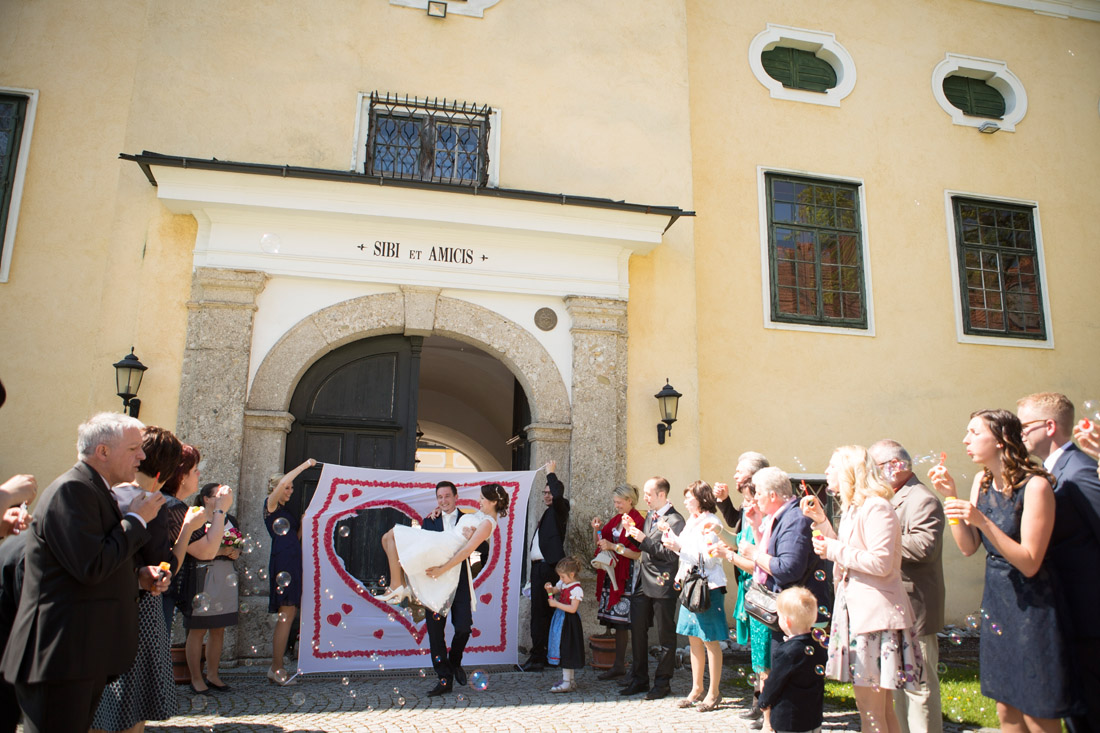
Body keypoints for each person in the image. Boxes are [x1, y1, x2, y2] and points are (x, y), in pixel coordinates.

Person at [0, 413, 169, 732]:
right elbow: (91, 566)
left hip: (80, 655)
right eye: (134, 448)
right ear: (103, 451)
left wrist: (137, 576)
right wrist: (137, 520)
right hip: (61, 657)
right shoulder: (73, 490)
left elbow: (81, 562)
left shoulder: (94, 489)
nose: (143, 457)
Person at [929, 409, 1080, 732]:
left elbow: (1029, 560)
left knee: (1037, 711)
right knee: (1006, 711)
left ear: (1001, 441)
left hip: (1034, 606)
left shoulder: (1036, 486)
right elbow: (969, 547)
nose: (965, 440)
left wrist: (981, 519)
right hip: (998, 600)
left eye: (974, 433)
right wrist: (952, 499)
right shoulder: (983, 482)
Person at [91, 426, 204, 733]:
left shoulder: (104, 494)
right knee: (132, 703)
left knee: (96, 699)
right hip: (138, 612)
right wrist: (188, 528)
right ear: (166, 471)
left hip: (96, 609)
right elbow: (165, 568)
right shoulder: (152, 504)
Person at [802, 445, 921, 733]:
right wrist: (823, 524)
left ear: (850, 472)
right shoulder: (856, 508)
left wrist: (833, 548)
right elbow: (848, 552)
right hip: (859, 613)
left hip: (874, 619)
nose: (827, 471)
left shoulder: (876, 507)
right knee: (880, 711)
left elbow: (881, 563)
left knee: (871, 713)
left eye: (832, 466)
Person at [1017, 392, 1100, 733]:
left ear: (1049, 426)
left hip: (1088, 615)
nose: (1018, 434)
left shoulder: (1079, 470)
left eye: (1024, 426)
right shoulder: (1048, 471)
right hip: (1065, 609)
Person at [379, 482, 507, 697]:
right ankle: (444, 678)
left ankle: (454, 661)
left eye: (447, 496)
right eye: (439, 497)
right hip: (435, 580)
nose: (443, 501)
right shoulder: (431, 519)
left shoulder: (473, 517)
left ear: (456, 497)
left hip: (458, 578)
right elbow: (425, 546)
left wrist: (470, 539)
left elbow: (476, 546)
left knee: (464, 627)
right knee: (435, 632)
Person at [738, 465, 833, 731]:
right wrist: (757, 527)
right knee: (785, 671)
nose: (753, 498)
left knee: (793, 676)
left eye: (757, 493)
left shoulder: (795, 519)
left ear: (772, 495)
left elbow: (788, 568)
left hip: (800, 614)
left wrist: (754, 553)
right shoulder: (782, 516)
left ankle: (793, 724)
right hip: (791, 610)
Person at [869, 439, 945, 733]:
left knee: (919, 687)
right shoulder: (890, 497)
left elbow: (926, 547)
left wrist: (880, 543)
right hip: (893, 605)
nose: (870, 474)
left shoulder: (921, 498)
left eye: (874, 468)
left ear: (895, 466)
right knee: (898, 683)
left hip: (915, 606)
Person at [661, 480, 728, 712]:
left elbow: (710, 559)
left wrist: (679, 549)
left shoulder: (712, 523)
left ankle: (714, 691)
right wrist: (672, 541)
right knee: (693, 639)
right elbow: (687, 554)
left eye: (689, 496)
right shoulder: (692, 521)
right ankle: (696, 688)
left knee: (710, 640)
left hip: (708, 587)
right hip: (691, 585)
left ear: (700, 499)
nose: (686, 500)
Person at [621, 476, 685, 700]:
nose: (645, 498)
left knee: (665, 636)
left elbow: (670, 553)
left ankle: (662, 682)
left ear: (661, 495)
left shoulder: (675, 520)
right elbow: (647, 547)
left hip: (662, 583)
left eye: (649, 494)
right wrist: (633, 533)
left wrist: (643, 539)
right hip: (643, 581)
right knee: (637, 629)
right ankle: (639, 678)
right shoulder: (650, 516)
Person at [720, 473, 771, 728]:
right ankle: (758, 704)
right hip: (750, 593)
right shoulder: (750, 524)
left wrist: (728, 557)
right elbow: (736, 542)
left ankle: (766, 709)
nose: (746, 505)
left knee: (765, 656)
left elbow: (755, 565)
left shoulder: (764, 527)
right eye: (745, 501)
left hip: (763, 594)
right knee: (757, 655)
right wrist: (718, 532)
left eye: (751, 500)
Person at [181, 482, 238, 694]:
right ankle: (196, 678)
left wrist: (235, 552)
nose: (222, 499)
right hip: (201, 575)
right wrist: (222, 549)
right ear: (206, 498)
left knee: (218, 628)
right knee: (197, 630)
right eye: (217, 495)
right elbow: (198, 548)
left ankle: (213, 675)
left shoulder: (229, 521)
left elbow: (237, 545)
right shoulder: (196, 518)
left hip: (224, 575)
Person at [264, 458, 316, 686]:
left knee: (290, 614)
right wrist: (304, 466)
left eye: (291, 487)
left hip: (294, 562)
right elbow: (284, 481)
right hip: (282, 563)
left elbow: (294, 539)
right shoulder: (270, 506)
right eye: (287, 486)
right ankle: (276, 668)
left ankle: (277, 666)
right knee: (286, 616)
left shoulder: (285, 511)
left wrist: (303, 525)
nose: (290, 489)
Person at [590, 483, 644, 682]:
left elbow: (636, 553)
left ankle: (621, 665)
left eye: (619, 502)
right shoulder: (616, 520)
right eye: (615, 502)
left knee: (623, 623)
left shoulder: (637, 521)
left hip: (627, 575)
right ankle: (618, 665)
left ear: (630, 500)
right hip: (612, 573)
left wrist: (614, 546)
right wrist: (597, 530)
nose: (617, 505)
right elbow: (601, 542)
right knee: (615, 621)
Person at [522, 460, 569, 673]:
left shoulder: (561, 508)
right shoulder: (548, 513)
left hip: (548, 568)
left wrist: (551, 473)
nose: (547, 495)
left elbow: (558, 496)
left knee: (541, 614)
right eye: (545, 492)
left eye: (550, 492)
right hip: (539, 570)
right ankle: (542, 655)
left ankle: (539, 657)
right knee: (539, 613)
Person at [759, 586, 826, 733]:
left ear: (787, 621)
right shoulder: (818, 646)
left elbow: (775, 682)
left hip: (789, 719)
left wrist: (764, 700)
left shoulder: (786, 652)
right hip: (813, 717)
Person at [159, 444, 203, 631]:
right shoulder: (173, 506)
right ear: (182, 476)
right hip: (160, 592)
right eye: (194, 470)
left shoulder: (170, 502)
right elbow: (205, 550)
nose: (199, 474)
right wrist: (219, 509)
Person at [546, 556, 585, 693]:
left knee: (567, 649)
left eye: (563, 577)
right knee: (563, 648)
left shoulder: (576, 590)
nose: (561, 580)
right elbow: (556, 590)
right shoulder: (564, 583)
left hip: (569, 623)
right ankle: (570, 680)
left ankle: (567, 681)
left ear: (572, 574)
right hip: (561, 620)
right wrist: (550, 589)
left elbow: (573, 608)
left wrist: (556, 603)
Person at [714, 451, 770, 533]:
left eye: (739, 472)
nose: (735, 476)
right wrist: (724, 499)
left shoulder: (764, 503)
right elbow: (734, 521)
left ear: (753, 475)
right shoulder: (747, 498)